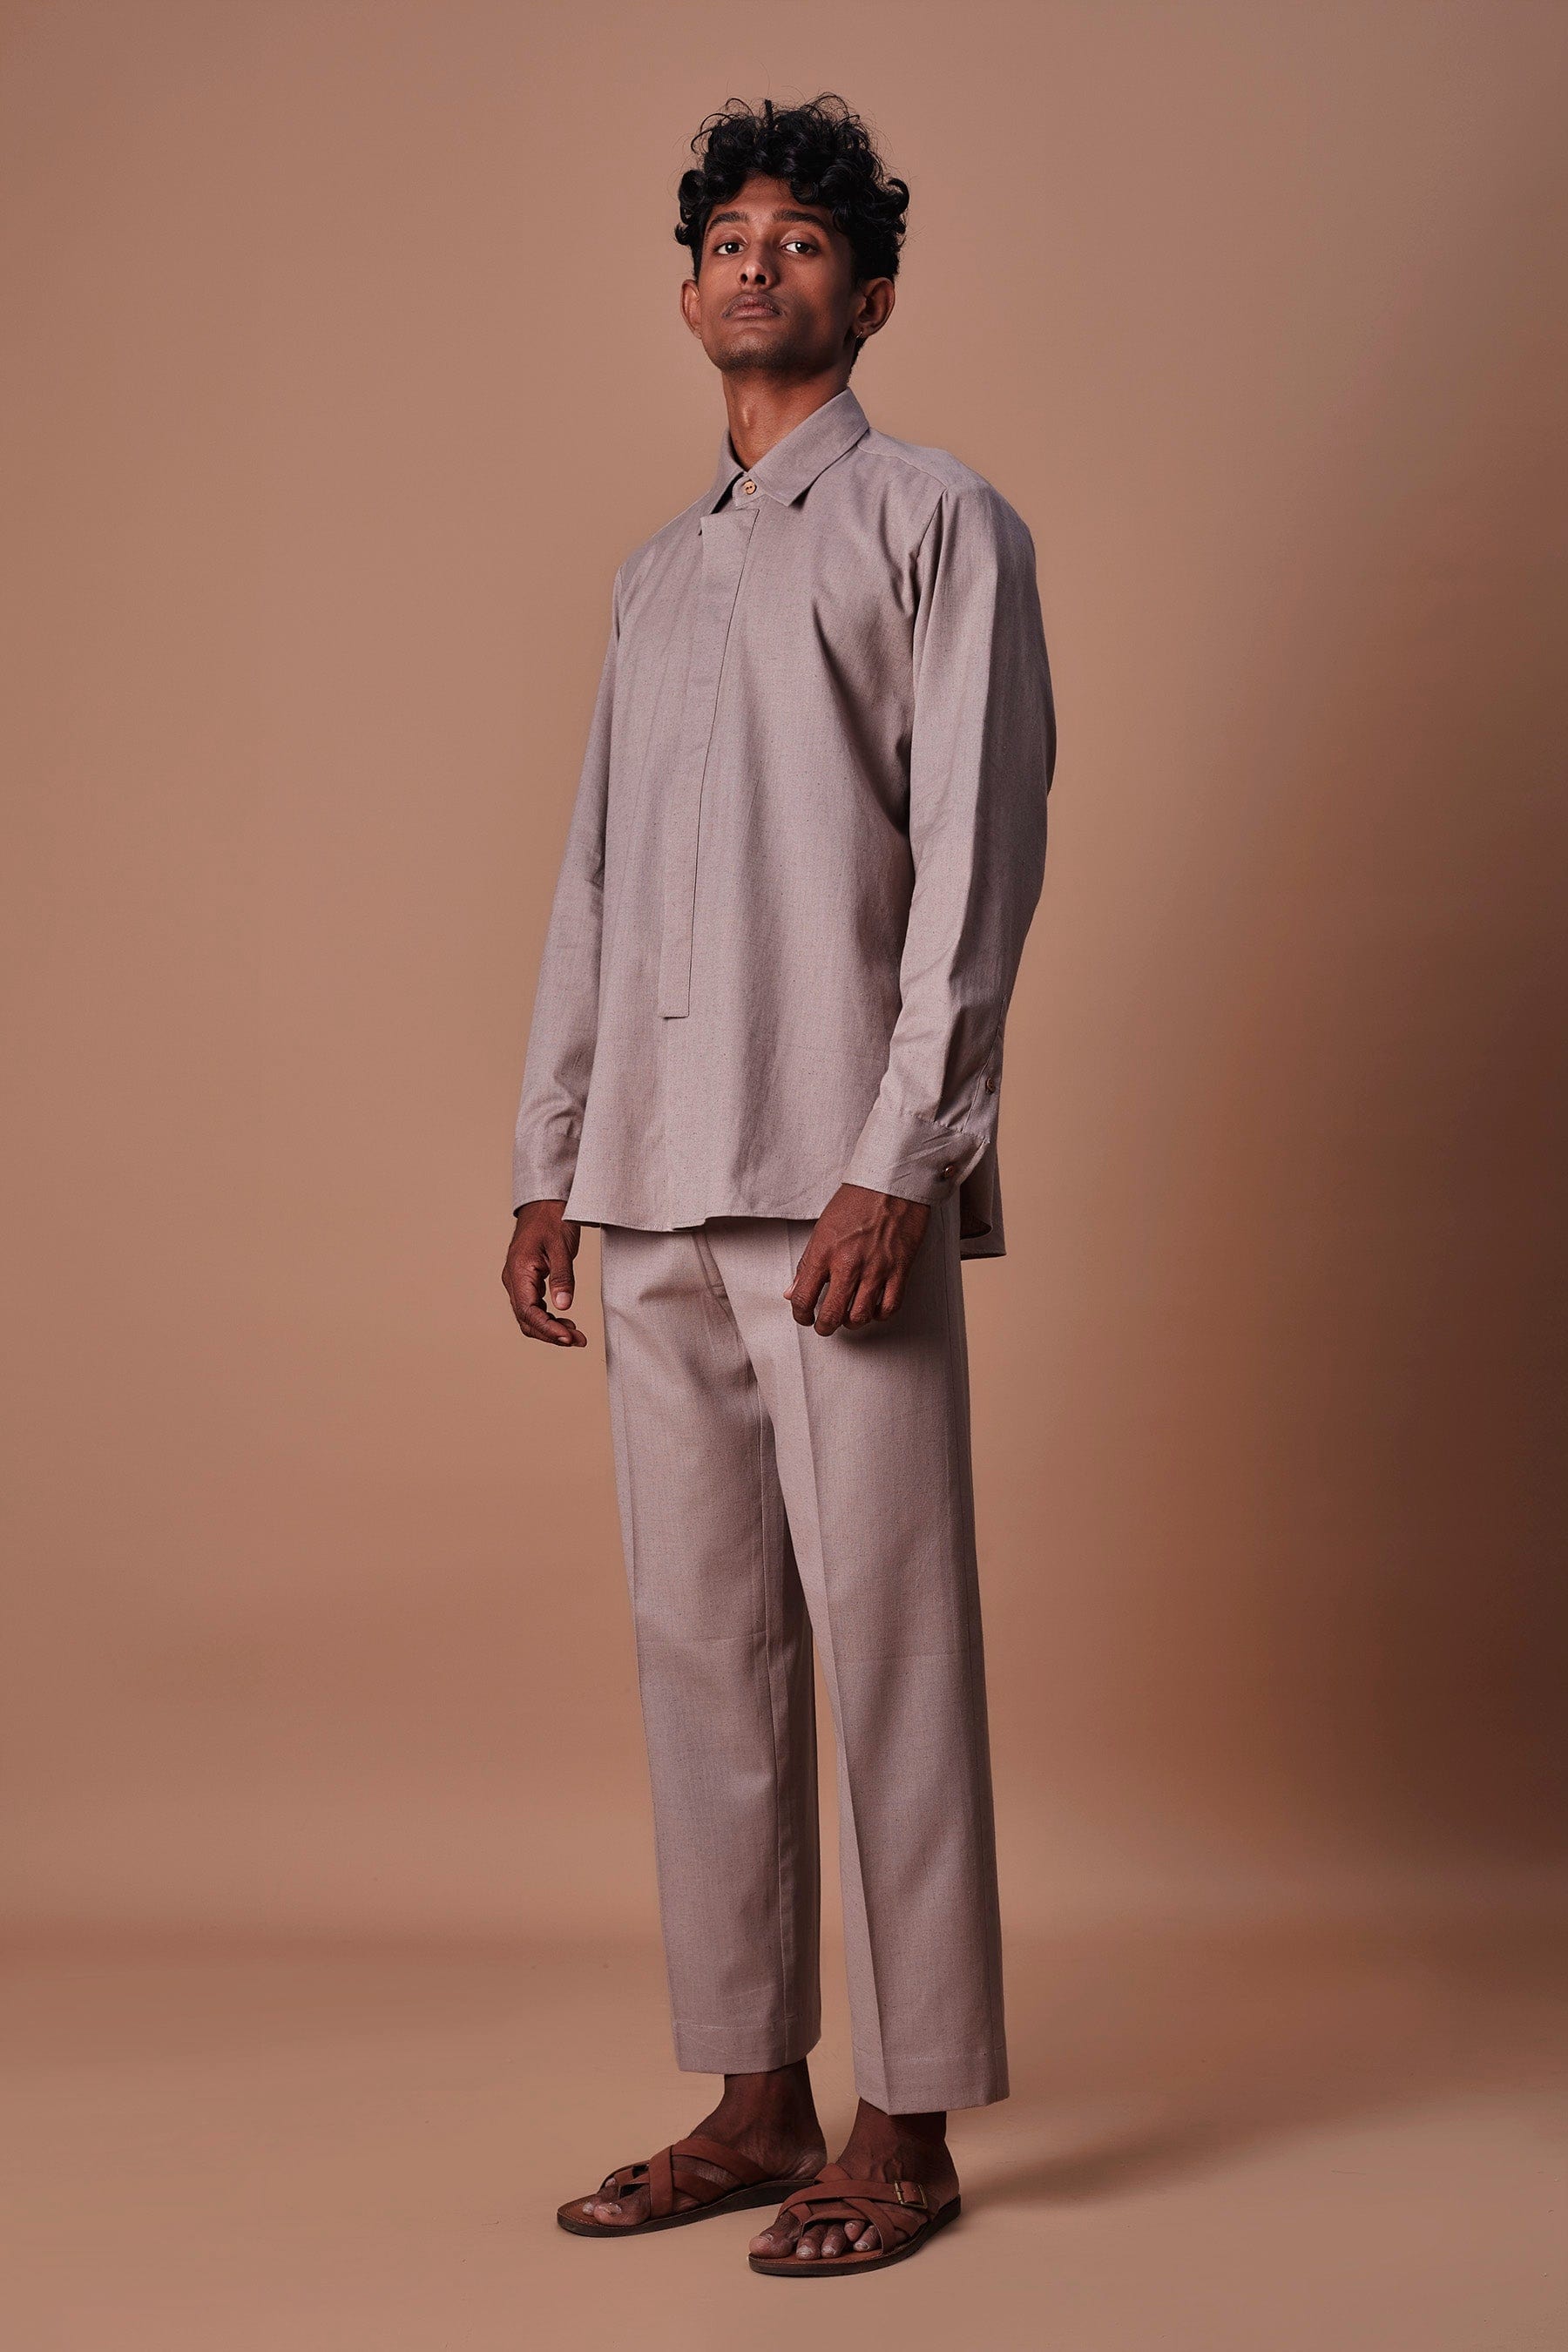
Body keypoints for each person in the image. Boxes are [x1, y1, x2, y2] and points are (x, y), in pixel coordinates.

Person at [504, 92, 1056, 2278]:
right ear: (687, 293)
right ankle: (755, 2097)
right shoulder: (655, 579)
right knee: (701, 1649)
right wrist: (548, 1159)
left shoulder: (939, 523)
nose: (758, 260)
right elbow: (594, 885)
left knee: (894, 1644)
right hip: (651, 1182)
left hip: (839, 1188)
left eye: (801, 238)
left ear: (871, 293)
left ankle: (908, 2128)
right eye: (729, 235)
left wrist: (901, 1161)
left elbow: (978, 868)